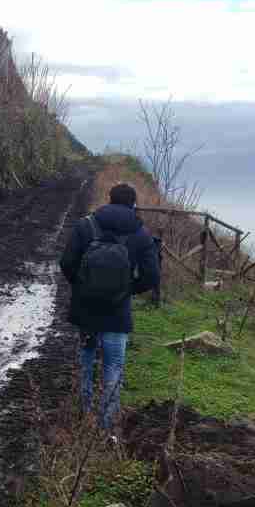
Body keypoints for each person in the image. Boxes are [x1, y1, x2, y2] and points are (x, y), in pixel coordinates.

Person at [59, 183, 160, 436]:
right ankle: (107, 427)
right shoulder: (141, 233)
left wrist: (82, 287)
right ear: (133, 204)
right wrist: (127, 290)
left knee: (85, 361)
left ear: (109, 200)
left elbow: (67, 263)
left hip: (86, 311)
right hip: (117, 314)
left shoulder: (86, 225)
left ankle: (83, 415)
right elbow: (152, 276)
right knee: (113, 366)